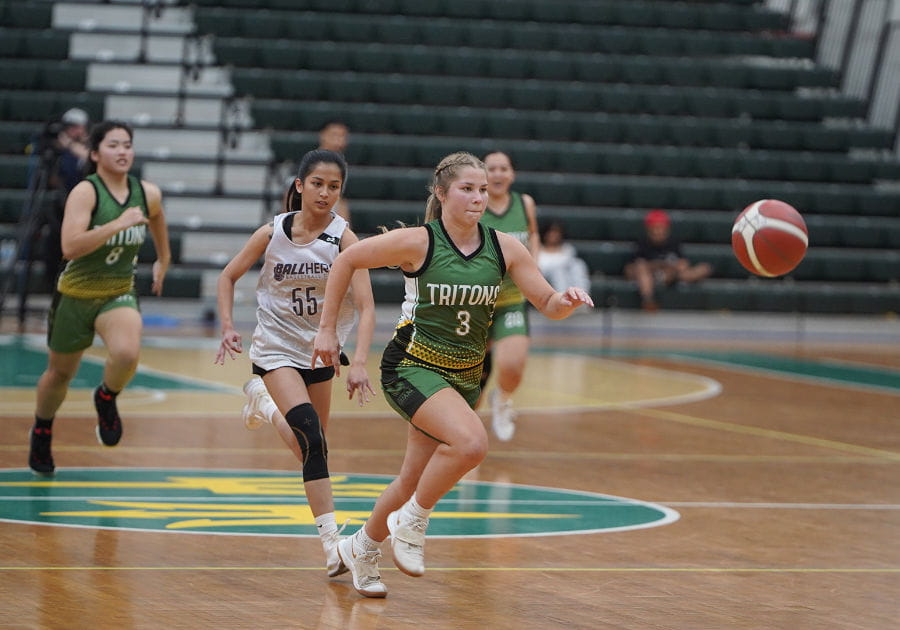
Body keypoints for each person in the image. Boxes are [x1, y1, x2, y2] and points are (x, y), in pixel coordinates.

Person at [311, 151, 593, 598]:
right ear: (441, 193)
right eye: (467, 188)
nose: (478, 197)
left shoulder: (505, 247)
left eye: (482, 189)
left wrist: (568, 301)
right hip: (412, 364)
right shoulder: (417, 242)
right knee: (471, 443)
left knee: (409, 480)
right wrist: (327, 330)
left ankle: (362, 546)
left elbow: (546, 303)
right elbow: (345, 262)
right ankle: (412, 523)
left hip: (463, 374)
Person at [215, 149, 377, 579]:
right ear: (300, 185)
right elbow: (228, 276)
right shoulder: (273, 232)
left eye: (335, 186)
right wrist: (229, 325)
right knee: (308, 432)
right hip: (275, 348)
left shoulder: (345, 240)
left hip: (321, 352)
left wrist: (359, 361)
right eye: (318, 184)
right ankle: (332, 545)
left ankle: (263, 406)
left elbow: (366, 305)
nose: (326, 193)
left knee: (315, 445)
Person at [29, 120, 171, 474]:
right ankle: (43, 428)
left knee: (126, 353)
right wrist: (115, 225)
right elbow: (70, 247)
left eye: (127, 144)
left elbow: (156, 218)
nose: (123, 151)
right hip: (75, 294)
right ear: (95, 154)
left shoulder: (147, 192)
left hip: (117, 292)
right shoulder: (86, 192)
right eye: (113, 145)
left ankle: (106, 397)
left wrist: (164, 259)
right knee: (60, 374)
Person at [476, 151, 540, 442]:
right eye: (492, 169)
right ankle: (465, 429)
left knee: (513, 365)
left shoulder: (524, 203)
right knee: (472, 379)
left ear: (512, 174)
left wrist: (533, 269)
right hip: (476, 302)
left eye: (504, 168)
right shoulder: (475, 204)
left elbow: (533, 234)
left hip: (512, 299)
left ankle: (502, 399)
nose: (498, 174)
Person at [623, 209, 712, 312]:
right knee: (641, 269)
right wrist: (658, 265)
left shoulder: (673, 243)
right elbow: (634, 267)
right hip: (649, 277)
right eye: (654, 229)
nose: (657, 232)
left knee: (704, 268)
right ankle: (648, 300)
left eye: (660, 228)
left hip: (670, 275)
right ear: (648, 230)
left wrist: (671, 269)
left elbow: (683, 264)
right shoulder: (642, 243)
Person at [537, 219, 592, 293]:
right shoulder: (538, 250)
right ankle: (562, 300)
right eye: (550, 231)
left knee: (578, 264)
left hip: (568, 281)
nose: (553, 235)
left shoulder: (568, 249)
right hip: (546, 282)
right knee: (557, 273)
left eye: (556, 232)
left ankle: (581, 297)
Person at [317, 120, 351, 224]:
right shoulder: (309, 165)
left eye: (342, 136)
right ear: (322, 135)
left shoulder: (342, 166)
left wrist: (344, 228)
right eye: (334, 135)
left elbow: (341, 201)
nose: (338, 141)